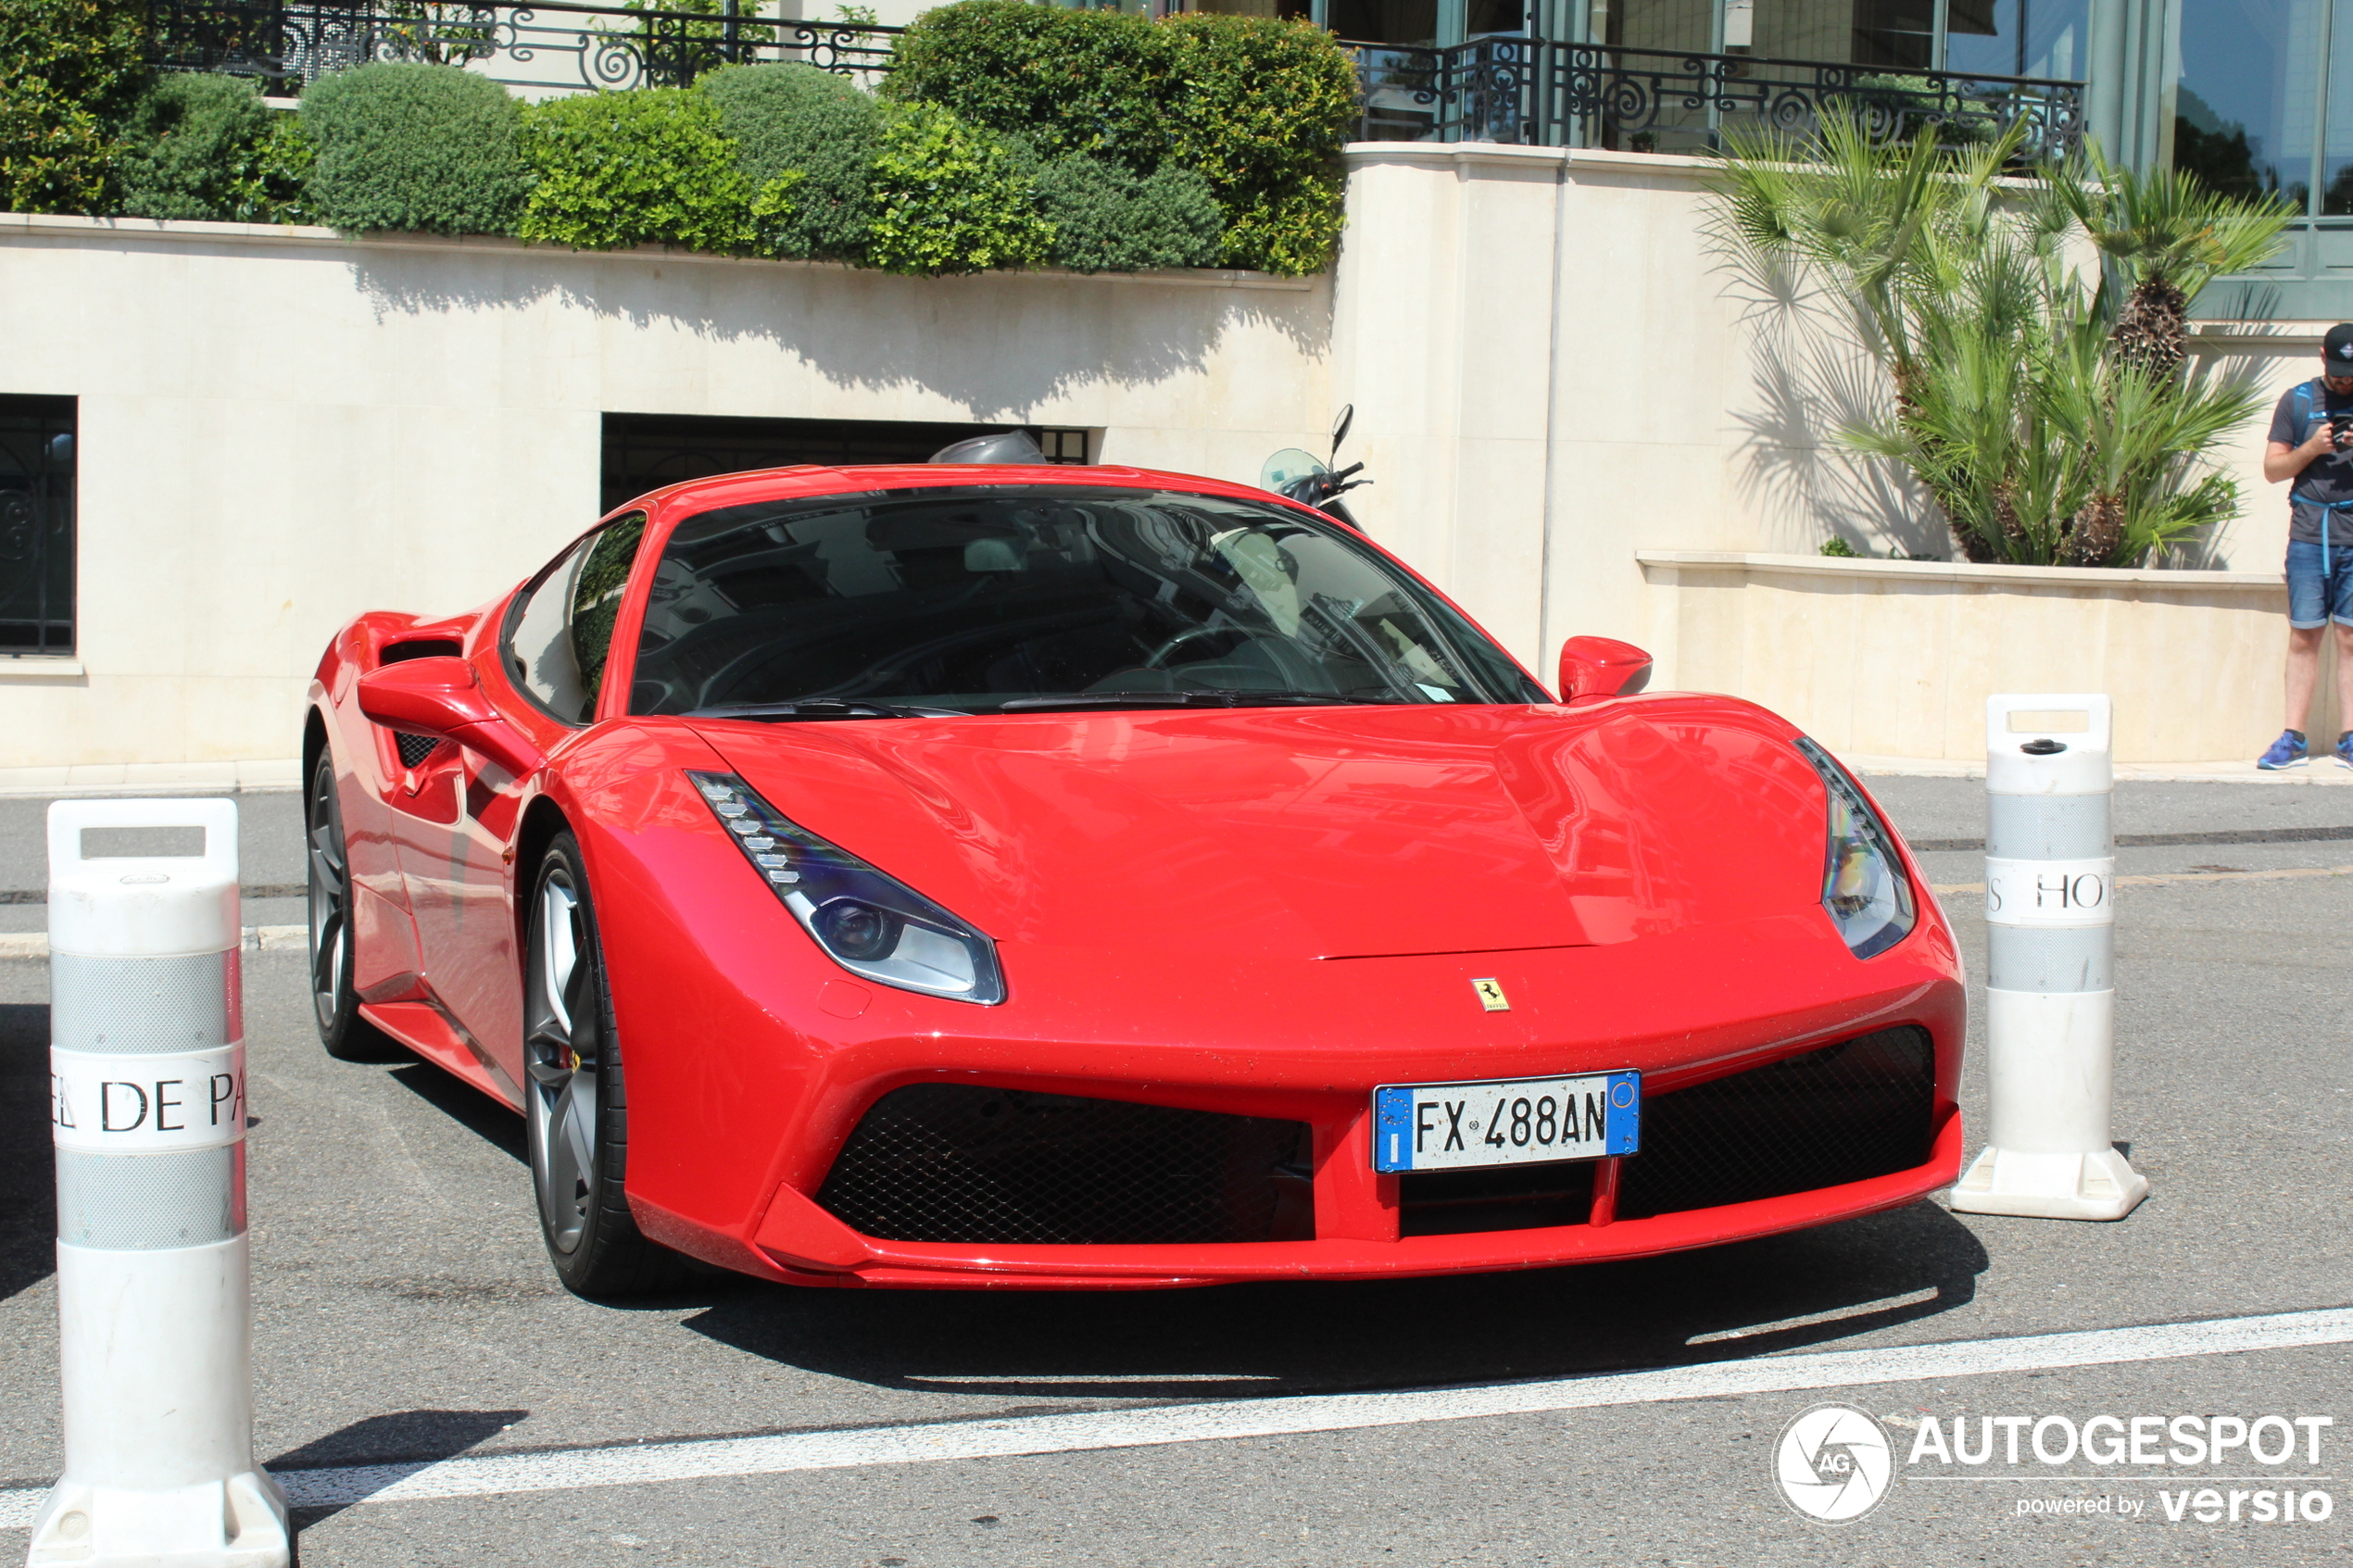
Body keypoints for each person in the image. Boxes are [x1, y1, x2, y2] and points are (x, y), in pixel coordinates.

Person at [2258, 323, 2353, 769]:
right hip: (2310, 534)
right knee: (2304, 635)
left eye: (2352, 374)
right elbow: (2274, 470)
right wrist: (2312, 448)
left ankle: (2349, 739)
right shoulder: (2298, 400)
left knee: (2350, 637)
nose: (2345, 380)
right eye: (2338, 372)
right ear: (2321, 357)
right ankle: (2293, 738)